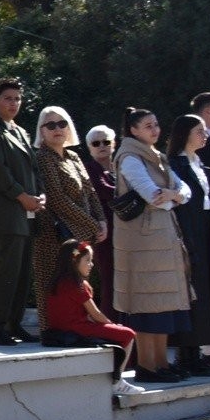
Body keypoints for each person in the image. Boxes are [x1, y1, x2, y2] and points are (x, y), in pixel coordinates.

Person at [111, 108, 192, 383]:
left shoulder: (157, 156)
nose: (154, 130)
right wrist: (175, 197)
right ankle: (148, 365)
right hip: (143, 240)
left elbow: (186, 190)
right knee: (148, 304)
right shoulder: (130, 157)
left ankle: (161, 363)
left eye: (156, 124)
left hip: (162, 238)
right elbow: (152, 195)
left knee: (164, 304)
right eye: (148, 125)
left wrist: (175, 195)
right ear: (133, 130)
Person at [0, 77, 43, 345]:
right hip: (4, 213)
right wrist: (21, 195)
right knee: (6, 271)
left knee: (23, 272)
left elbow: (34, 169)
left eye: (17, 98)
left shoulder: (20, 131)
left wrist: (40, 195)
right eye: (7, 98)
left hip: (26, 213)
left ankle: (14, 323)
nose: (13, 103)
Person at [31, 106, 106, 341]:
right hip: (53, 234)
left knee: (78, 283)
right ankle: (50, 330)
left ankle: (76, 327)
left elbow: (91, 192)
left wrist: (102, 220)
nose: (57, 129)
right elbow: (57, 198)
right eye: (50, 125)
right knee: (51, 282)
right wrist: (93, 225)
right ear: (41, 131)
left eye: (62, 124)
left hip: (80, 231)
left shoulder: (73, 156)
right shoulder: (43, 157)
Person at [166, 112, 210, 376]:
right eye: (199, 130)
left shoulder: (200, 163)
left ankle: (199, 353)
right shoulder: (174, 164)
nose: (204, 135)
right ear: (186, 134)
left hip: (205, 232)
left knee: (205, 292)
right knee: (190, 294)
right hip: (188, 233)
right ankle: (185, 356)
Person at [43, 240, 138, 379]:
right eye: (87, 260)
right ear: (74, 261)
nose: (91, 264)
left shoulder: (56, 281)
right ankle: (118, 380)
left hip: (59, 330)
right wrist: (112, 324)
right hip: (76, 329)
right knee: (128, 334)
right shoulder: (77, 285)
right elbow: (96, 314)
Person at [80, 124, 119, 310]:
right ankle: (110, 323)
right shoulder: (89, 169)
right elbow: (104, 191)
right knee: (110, 277)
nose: (102, 146)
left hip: (127, 231)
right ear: (89, 148)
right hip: (104, 232)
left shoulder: (121, 167)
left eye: (106, 141)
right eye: (96, 143)